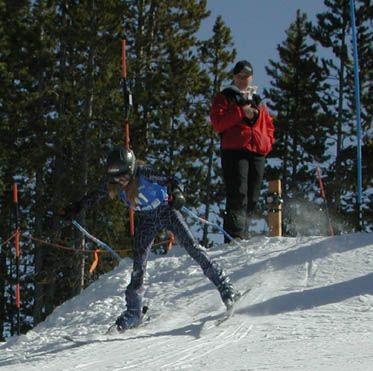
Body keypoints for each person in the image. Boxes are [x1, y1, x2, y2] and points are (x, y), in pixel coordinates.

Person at [59, 147, 240, 331]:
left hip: (166, 211)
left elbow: (172, 180)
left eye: (124, 175)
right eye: (116, 177)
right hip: (146, 220)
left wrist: (177, 193)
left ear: (131, 168)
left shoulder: (145, 173)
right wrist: (76, 207)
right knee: (139, 266)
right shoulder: (113, 185)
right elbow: (93, 197)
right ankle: (134, 312)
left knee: (192, 248)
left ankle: (225, 286)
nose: (121, 180)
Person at [210, 60, 275, 242]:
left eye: (245, 77)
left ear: (251, 77)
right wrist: (240, 112)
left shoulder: (258, 100)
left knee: (253, 195)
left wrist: (267, 142)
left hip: (257, 150)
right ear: (234, 77)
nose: (242, 80)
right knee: (238, 193)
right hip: (234, 149)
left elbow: (269, 125)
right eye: (239, 77)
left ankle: (244, 233)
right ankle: (234, 236)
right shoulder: (225, 96)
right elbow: (217, 122)